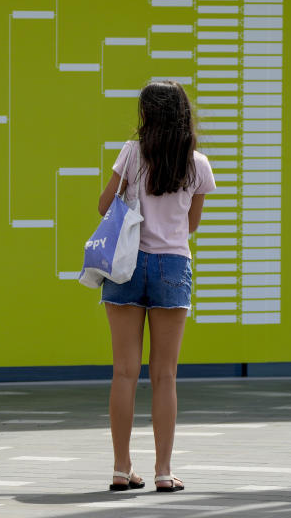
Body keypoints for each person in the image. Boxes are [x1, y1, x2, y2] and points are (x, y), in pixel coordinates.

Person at [97, 81, 216, 493]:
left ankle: (120, 468)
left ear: (147, 114)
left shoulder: (131, 155)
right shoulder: (198, 163)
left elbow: (103, 205)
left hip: (127, 264)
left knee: (124, 372)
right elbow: (192, 224)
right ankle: (164, 471)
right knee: (165, 374)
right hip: (173, 265)